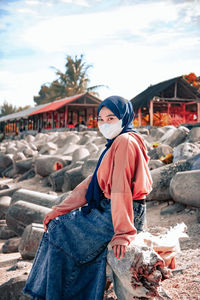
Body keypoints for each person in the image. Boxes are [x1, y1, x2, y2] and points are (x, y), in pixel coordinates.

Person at [23, 96, 152, 300]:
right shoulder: (115, 144)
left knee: (59, 232)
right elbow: (93, 184)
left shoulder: (125, 141)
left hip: (124, 211)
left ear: (124, 117)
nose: (105, 124)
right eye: (100, 119)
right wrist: (60, 209)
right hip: (112, 208)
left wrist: (123, 232)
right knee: (57, 225)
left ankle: (54, 295)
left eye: (111, 118)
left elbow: (120, 188)